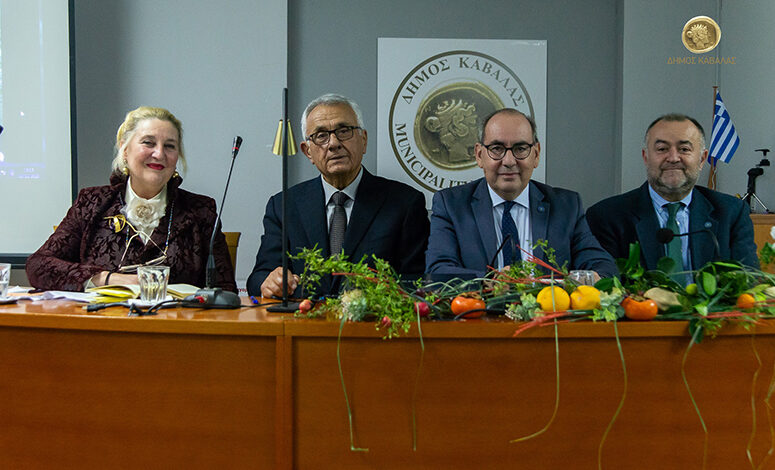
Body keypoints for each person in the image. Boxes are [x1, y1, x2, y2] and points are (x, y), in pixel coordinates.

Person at [26, 106, 237, 292]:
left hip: (173, 330)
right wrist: (107, 279)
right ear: (125, 150)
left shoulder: (200, 210)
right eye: (148, 142)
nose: (159, 153)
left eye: (170, 146)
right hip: (102, 328)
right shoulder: (92, 202)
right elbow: (38, 265)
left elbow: (226, 289)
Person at [247, 93, 429, 298]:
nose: (333, 143)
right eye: (321, 135)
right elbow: (259, 277)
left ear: (364, 140)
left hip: (371, 325)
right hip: (303, 325)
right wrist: (269, 283)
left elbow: (416, 282)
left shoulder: (405, 203)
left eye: (344, 131)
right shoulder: (283, 206)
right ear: (308, 152)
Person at [426, 108, 617, 278]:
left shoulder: (566, 206)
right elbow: (438, 271)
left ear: (536, 154)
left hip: (549, 314)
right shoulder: (451, 205)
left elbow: (604, 266)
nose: (509, 160)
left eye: (520, 149)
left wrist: (585, 279)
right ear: (479, 155)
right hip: (480, 314)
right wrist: (491, 281)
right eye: (497, 149)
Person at [586, 113, 759, 280]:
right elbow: (608, 289)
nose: (673, 158)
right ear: (646, 158)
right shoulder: (607, 216)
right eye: (662, 149)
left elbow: (748, 281)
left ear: (702, 159)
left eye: (684, 149)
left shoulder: (731, 212)